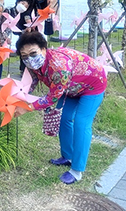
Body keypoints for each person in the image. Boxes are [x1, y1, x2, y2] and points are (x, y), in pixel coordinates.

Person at [14, 31, 107, 185]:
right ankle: (67, 156)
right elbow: (32, 81)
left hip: (93, 85)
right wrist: (19, 97)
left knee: (81, 123)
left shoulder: (59, 67)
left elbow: (52, 97)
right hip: (71, 87)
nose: (29, 59)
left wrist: (28, 107)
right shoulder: (31, 63)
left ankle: (77, 171)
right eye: (24, 56)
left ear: (44, 49)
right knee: (64, 119)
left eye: (33, 53)